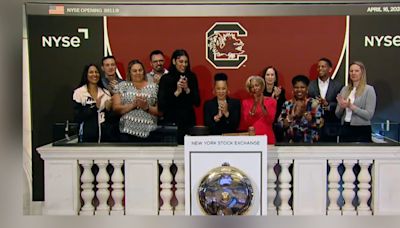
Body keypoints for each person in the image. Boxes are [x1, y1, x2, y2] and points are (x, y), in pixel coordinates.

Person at [158, 49, 201, 144]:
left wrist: (187, 89)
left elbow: (197, 102)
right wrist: (176, 92)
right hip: (171, 124)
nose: (184, 64)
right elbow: (161, 105)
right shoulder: (165, 79)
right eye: (181, 61)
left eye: (186, 62)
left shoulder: (192, 77)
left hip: (188, 123)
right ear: (174, 61)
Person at [112, 59, 159, 142]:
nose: (138, 73)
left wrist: (146, 107)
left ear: (144, 71)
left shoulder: (155, 87)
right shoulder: (121, 86)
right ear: (129, 72)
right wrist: (132, 105)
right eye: (134, 71)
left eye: (140, 70)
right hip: (126, 133)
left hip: (150, 133)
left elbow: (160, 111)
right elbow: (116, 108)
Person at [335, 61, 376, 143]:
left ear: (362, 73)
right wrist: (341, 107)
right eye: (351, 71)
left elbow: (368, 115)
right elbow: (338, 114)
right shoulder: (345, 89)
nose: (353, 73)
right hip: (345, 128)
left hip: (361, 130)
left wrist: (351, 106)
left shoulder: (369, 90)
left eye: (356, 71)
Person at [73, 64, 113, 143]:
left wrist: (108, 110)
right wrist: (94, 107)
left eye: (96, 72)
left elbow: (110, 118)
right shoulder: (79, 92)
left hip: (104, 137)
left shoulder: (106, 93)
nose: (94, 74)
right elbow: (77, 117)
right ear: (86, 75)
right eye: (91, 72)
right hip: (86, 137)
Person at [277, 75, 324, 143]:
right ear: (293, 89)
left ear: (307, 89)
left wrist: (311, 119)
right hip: (290, 144)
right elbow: (280, 125)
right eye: (296, 87)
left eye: (302, 87)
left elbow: (320, 124)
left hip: (310, 143)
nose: (299, 90)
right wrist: (291, 117)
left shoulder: (314, 104)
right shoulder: (287, 104)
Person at [308, 58, 343, 142]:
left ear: (330, 69)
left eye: (323, 66)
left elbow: (340, 105)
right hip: (313, 127)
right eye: (319, 67)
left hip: (331, 126)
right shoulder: (310, 85)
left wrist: (328, 105)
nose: (320, 69)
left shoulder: (338, 86)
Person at [242, 75, 277, 144]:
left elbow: (270, 120)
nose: (254, 88)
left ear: (262, 86)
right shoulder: (245, 102)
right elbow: (248, 122)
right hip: (252, 140)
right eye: (252, 87)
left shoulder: (271, 101)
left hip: (267, 138)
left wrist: (261, 105)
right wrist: (254, 105)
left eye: (257, 85)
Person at [262, 66, 286, 142]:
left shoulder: (280, 91)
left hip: (276, 120)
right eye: (268, 75)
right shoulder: (260, 91)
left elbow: (281, 109)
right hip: (263, 119)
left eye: (272, 75)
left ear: (275, 78)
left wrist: (278, 97)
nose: (270, 77)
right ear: (264, 77)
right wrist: (272, 98)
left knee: (279, 126)